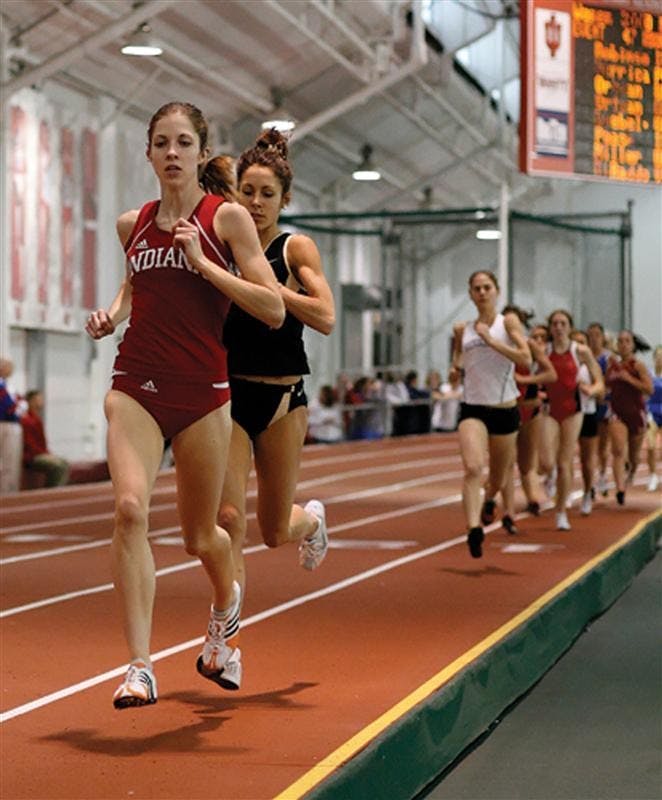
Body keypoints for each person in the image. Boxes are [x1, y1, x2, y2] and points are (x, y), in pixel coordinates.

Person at [85, 102, 285, 708]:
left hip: (203, 395)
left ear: (201, 153)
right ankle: (140, 666)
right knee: (128, 510)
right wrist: (111, 314)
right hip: (137, 384)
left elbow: (273, 308)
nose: (172, 153)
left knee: (203, 537)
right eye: (161, 143)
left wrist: (204, 264)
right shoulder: (133, 225)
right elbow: (136, 284)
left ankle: (226, 607)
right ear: (148, 154)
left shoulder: (226, 220)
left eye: (182, 143)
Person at [218, 128, 335, 605]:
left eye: (267, 194)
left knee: (272, 530)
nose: (256, 202)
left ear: (285, 200)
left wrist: (270, 288)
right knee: (227, 519)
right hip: (227, 396)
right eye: (247, 192)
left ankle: (310, 521)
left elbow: (325, 315)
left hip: (283, 398)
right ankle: (225, 634)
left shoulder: (294, 249)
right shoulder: (223, 244)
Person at [449, 270, 531, 558]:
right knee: (472, 468)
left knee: (496, 478)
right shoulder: (463, 329)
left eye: (487, 287)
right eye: (476, 288)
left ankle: (490, 499)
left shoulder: (506, 323)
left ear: (496, 291)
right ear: (470, 294)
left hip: (505, 409)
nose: (482, 292)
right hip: (472, 407)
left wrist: (492, 340)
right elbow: (459, 358)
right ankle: (473, 529)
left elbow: (526, 359)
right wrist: (455, 370)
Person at [538, 310, 604, 530]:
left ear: (570, 327)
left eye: (563, 323)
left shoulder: (580, 351)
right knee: (547, 461)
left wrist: (591, 389)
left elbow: (599, 381)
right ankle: (551, 476)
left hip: (573, 409)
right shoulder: (543, 350)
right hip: (549, 409)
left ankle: (561, 513)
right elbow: (533, 374)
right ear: (550, 327)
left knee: (565, 462)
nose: (558, 327)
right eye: (554, 323)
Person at [498, 312, 557, 528]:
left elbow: (551, 374)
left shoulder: (530, 346)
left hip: (529, 409)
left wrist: (525, 379)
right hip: (505, 408)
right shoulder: (496, 346)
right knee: (506, 462)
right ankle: (509, 511)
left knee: (527, 463)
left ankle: (532, 497)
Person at [605, 330, 653, 504]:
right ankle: (620, 489)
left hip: (636, 413)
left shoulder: (638, 365)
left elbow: (649, 389)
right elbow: (606, 386)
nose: (623, 344)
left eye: (627, 341)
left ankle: (631, 470)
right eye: (620, 341)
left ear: (633, 345)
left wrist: (628, 379)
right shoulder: (612, 366)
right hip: (617, 412)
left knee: (633, 456)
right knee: (617, 450)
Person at [571, 330, 602, 515]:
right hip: (565, 414)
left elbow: (600, 389)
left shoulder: (590, 366)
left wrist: (589, 389)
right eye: (576, 342)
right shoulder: (563, 362)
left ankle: (587, 492)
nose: (579, 346)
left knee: (587, 458)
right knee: (562, 456)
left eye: (582, 342)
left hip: (587, 413)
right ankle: (559, 486)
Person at [20, 389, 70, 487]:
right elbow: (29, 445)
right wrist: (45, 454)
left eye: (41, 399)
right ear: (30, 401)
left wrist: (47, 453)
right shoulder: (26, 420)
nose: (40, 402)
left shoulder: (36, 419)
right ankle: (51, 492)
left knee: (64, 462)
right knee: (58, 466)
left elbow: (42, 443)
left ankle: (58, 489)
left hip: (39, 453)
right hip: (31, 456)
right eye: (37, 399)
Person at [587, 322, 613, 496]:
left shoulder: (609, 357)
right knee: (589, 445)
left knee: (603, 444)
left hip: (604, 403)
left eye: (597, 334)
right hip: (587, 402)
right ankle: (591, 479)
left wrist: (604, 392)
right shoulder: (584, 354)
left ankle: (603, 474)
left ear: (603, 337)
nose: (594, 338)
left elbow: (612, 379)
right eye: (591, 334)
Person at [0, 357, 23, 494]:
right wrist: (17, 408)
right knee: (7, 461)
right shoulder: (3, 386)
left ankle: (9, 492)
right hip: (4, 423)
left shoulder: (10, 386)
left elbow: (19, 403)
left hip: (11, 424)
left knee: (11, 461)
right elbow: (9, 406)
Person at [645, 344, 662, 492]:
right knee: (651, 446)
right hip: (652, 412)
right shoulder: (649, 374)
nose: (660, 359)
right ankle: (652, 476)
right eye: (658, 357)